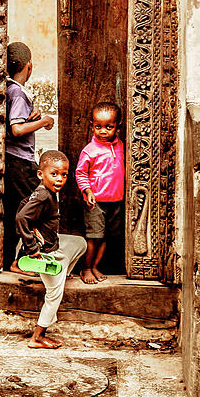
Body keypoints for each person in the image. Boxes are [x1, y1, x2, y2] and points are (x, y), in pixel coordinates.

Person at [16, 150, 86, 348]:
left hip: (53, 243)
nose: (60, 179)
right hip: (45, 253)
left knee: (80, 243)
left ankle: (63, 272)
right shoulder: (42, 196)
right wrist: (32, 249)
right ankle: (37, 337)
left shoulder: (48, 192)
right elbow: (21, 218)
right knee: (54, 295)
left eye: (64, 174)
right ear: (41, 174)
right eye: (54, 174)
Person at [4, 41, 54, 270]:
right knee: (36, 208)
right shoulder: (18, 92)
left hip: (14, 161)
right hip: (20, 162)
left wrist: (31, 120)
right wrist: (43, 122)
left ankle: (8, 261)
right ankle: (25, 258)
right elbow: (16, 129)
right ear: (29, 66)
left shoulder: (7, 89)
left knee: (15, 210)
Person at [75, 101, 125, 284]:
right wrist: (87, 191)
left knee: (105, 238)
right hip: (95, 201)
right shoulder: (90, 150)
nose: (103, 131)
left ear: (117, 126)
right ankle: (86, 268)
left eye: (108, 127)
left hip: (116, 201)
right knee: (94, 237)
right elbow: (80, 172)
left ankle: (96, 266)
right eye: (98, 127)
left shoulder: (121, 147)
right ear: (92, 126)